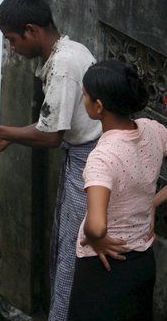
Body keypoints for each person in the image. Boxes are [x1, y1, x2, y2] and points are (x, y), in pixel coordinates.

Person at [0, 0, 102, 320]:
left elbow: (50, 137)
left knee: (72, 252)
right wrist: (12, 136)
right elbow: (52, 125)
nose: (12, 47)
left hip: (90, 162)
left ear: (32, 31)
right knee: (66, 247)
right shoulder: (69, 49)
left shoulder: (63, 65)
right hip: (80, 155)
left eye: (12, 39)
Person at [67, 60, 165, 321]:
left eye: (85, 95)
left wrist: (95, 237)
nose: (83, 98)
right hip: (143, 261)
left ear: (98, 107)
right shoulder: (153, 130)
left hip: (104, 266)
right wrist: (153, 203)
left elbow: (97, 226)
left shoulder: (103, 157)